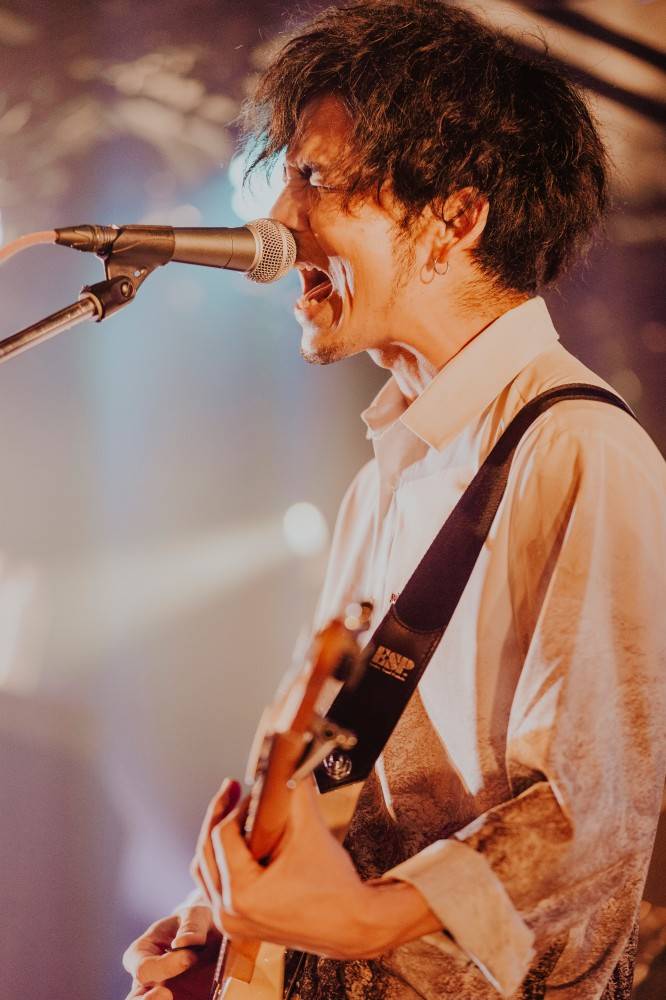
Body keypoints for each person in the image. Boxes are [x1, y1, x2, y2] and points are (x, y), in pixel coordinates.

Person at [122, 2, 666, 998]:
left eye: (315, 178)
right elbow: (334, 791)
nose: (275, 215)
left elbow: (595, 806)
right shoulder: (385, 478)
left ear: (455, 220)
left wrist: (363, 921)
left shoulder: (580, 450)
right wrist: (238, 934)